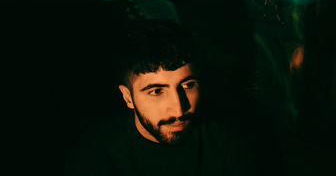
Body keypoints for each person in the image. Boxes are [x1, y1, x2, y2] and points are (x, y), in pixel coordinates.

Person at [64, 18, 260, 176]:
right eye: (156, 91)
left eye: (188, 85)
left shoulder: (227, 148)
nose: (178, 109)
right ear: (127, 97)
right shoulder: (94, 156)